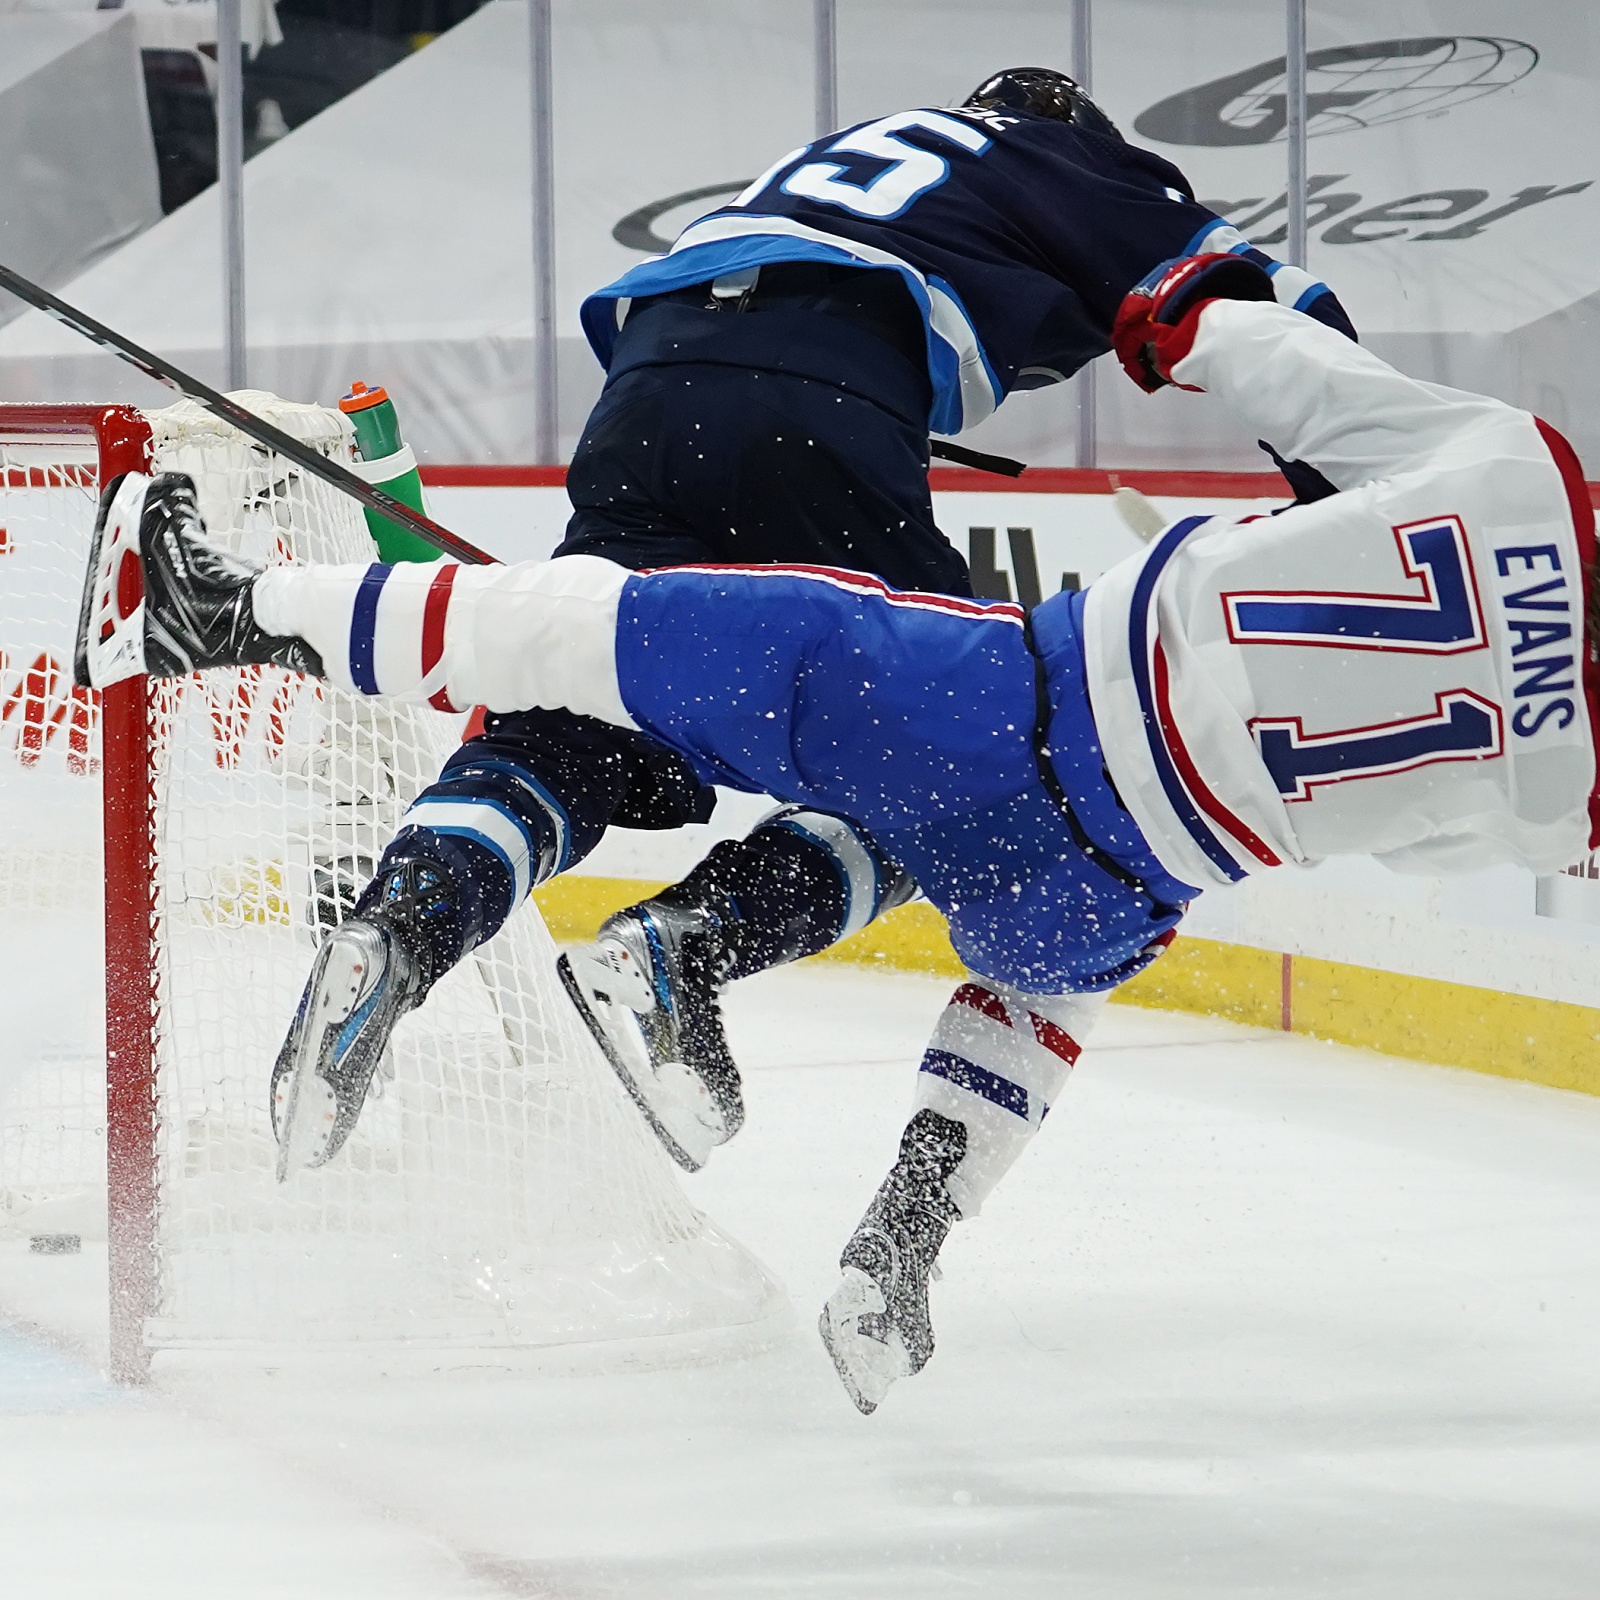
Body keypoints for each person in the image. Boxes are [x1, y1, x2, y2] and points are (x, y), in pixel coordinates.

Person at [76, 250, 1595, 1411]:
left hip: (1018, 701)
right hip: (1138, 875)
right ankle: (902, 1240)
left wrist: (1179, 303)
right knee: (1034, 986)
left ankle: (224, 610)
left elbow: (1258, 355)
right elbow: (1440, 845)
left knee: (604, 635)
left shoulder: (1525, 466)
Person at [236, 67, 1360, 1177]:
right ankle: (685, 947)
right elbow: (1274, 305)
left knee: (574, 716)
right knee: (966, 756)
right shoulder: (1062, 158)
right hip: (818, 394)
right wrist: (1339, 503)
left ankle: (398, 926)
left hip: (651, 387)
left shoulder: (862, 152)